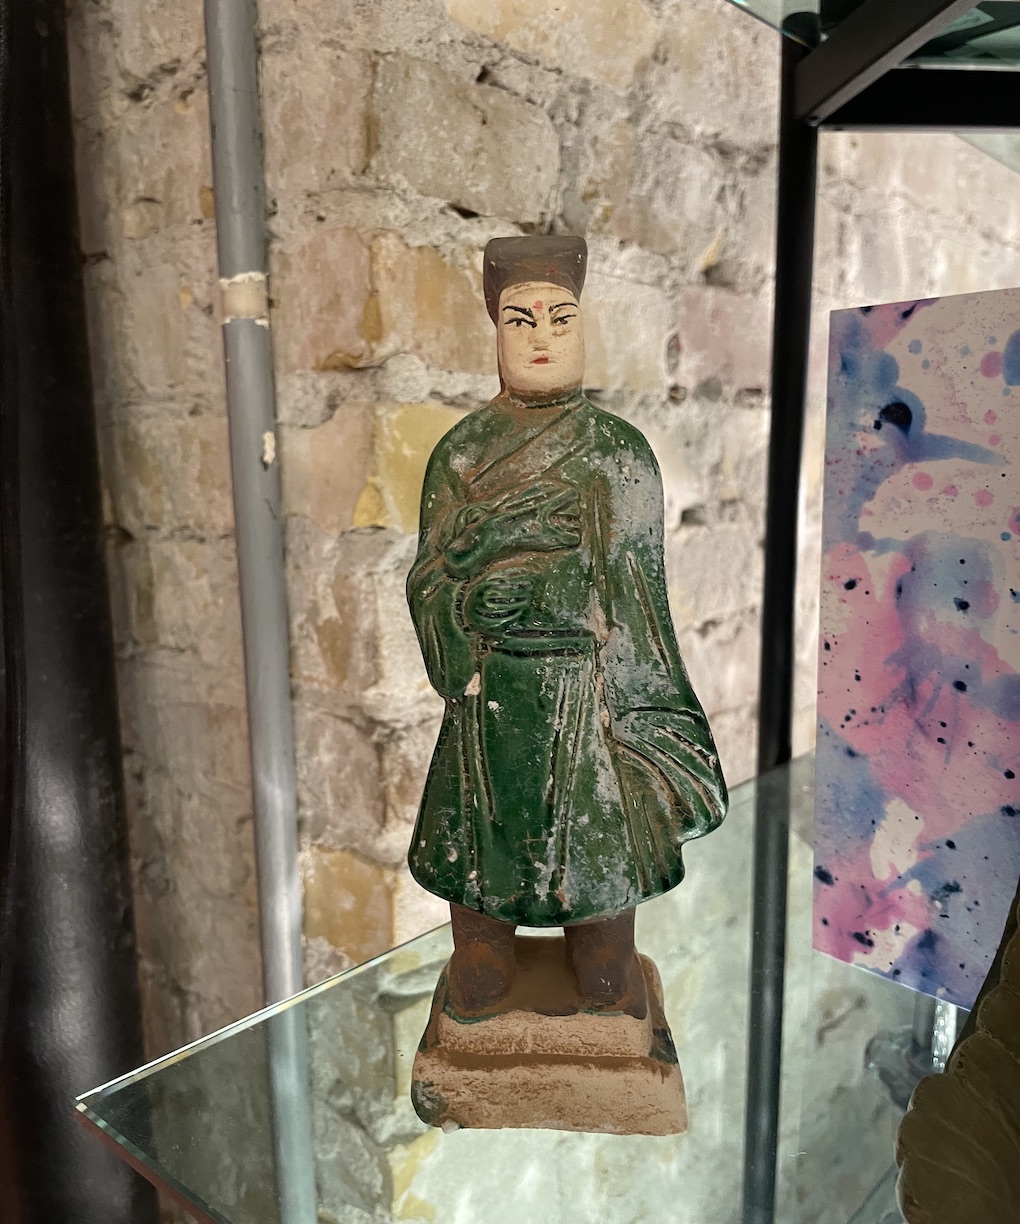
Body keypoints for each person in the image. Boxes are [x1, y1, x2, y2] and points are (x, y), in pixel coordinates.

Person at [407, 235, 727, 1015]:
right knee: (479, 959)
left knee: (607, 966)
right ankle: (482, 953)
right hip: (489, 712)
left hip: (584, 708)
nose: (541, 338)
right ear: (496, 332)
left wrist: (640, 723)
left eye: (561, 318)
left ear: (584, 326)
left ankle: (602, 956)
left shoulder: (619, 454)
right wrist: (464, 608)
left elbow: (638, 603)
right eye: (520, 321)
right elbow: (428, 579)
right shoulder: (461, 454)